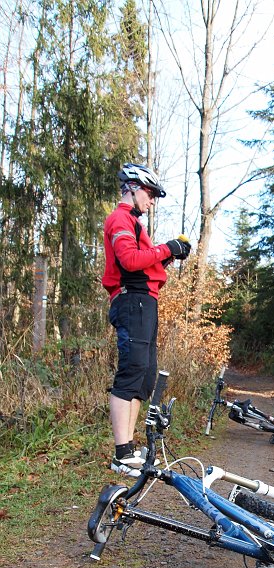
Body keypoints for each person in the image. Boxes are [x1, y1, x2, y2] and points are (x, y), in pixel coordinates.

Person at [102, 163, 191, 477]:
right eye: (150, 194)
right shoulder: (120, 218)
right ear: (132, 188)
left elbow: (143, 261)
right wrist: (165, 248)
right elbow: (128, 260)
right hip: (131, 300)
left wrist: (169, 253)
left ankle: (127, 450)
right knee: (132, 371)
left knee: (145, 375)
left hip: (145, 301)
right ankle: (120, 453)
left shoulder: (135, 223)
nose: (152, 201)